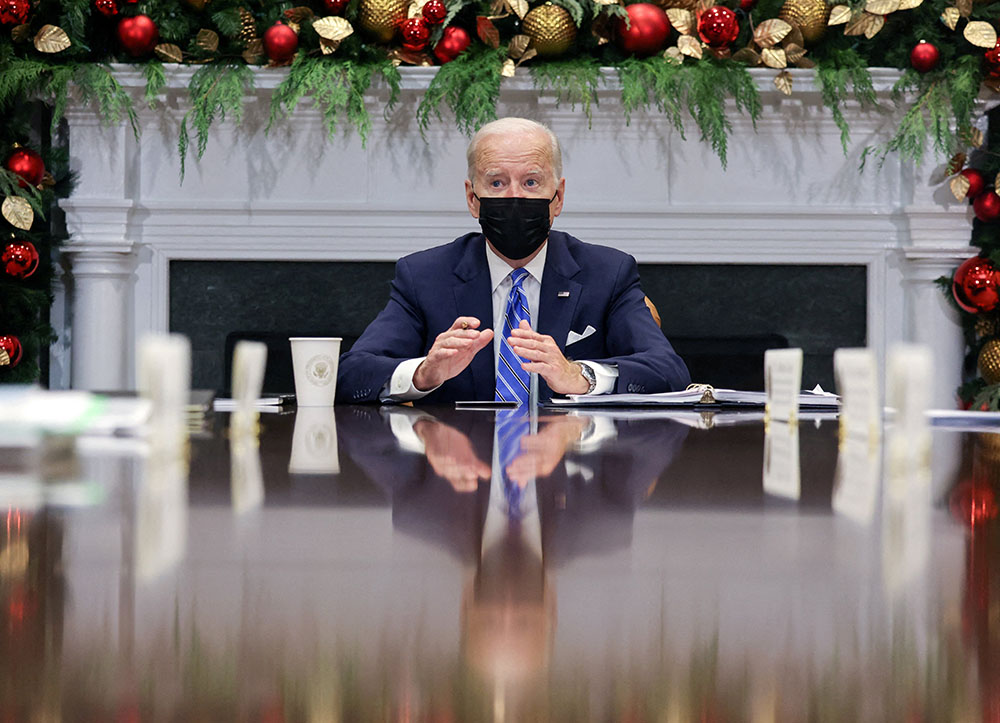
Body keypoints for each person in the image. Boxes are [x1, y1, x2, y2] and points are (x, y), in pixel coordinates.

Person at [336, 117, 690, 405]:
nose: (515, 197)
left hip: (570, 475)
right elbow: (353, 373)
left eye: (532, 182)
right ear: (472, 199)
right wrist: (423, 373)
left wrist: (578, 376)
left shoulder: (607, 273)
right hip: (461, 475)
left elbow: (667, 370)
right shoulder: (425, 276)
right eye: (497, 182)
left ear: (558, 197)